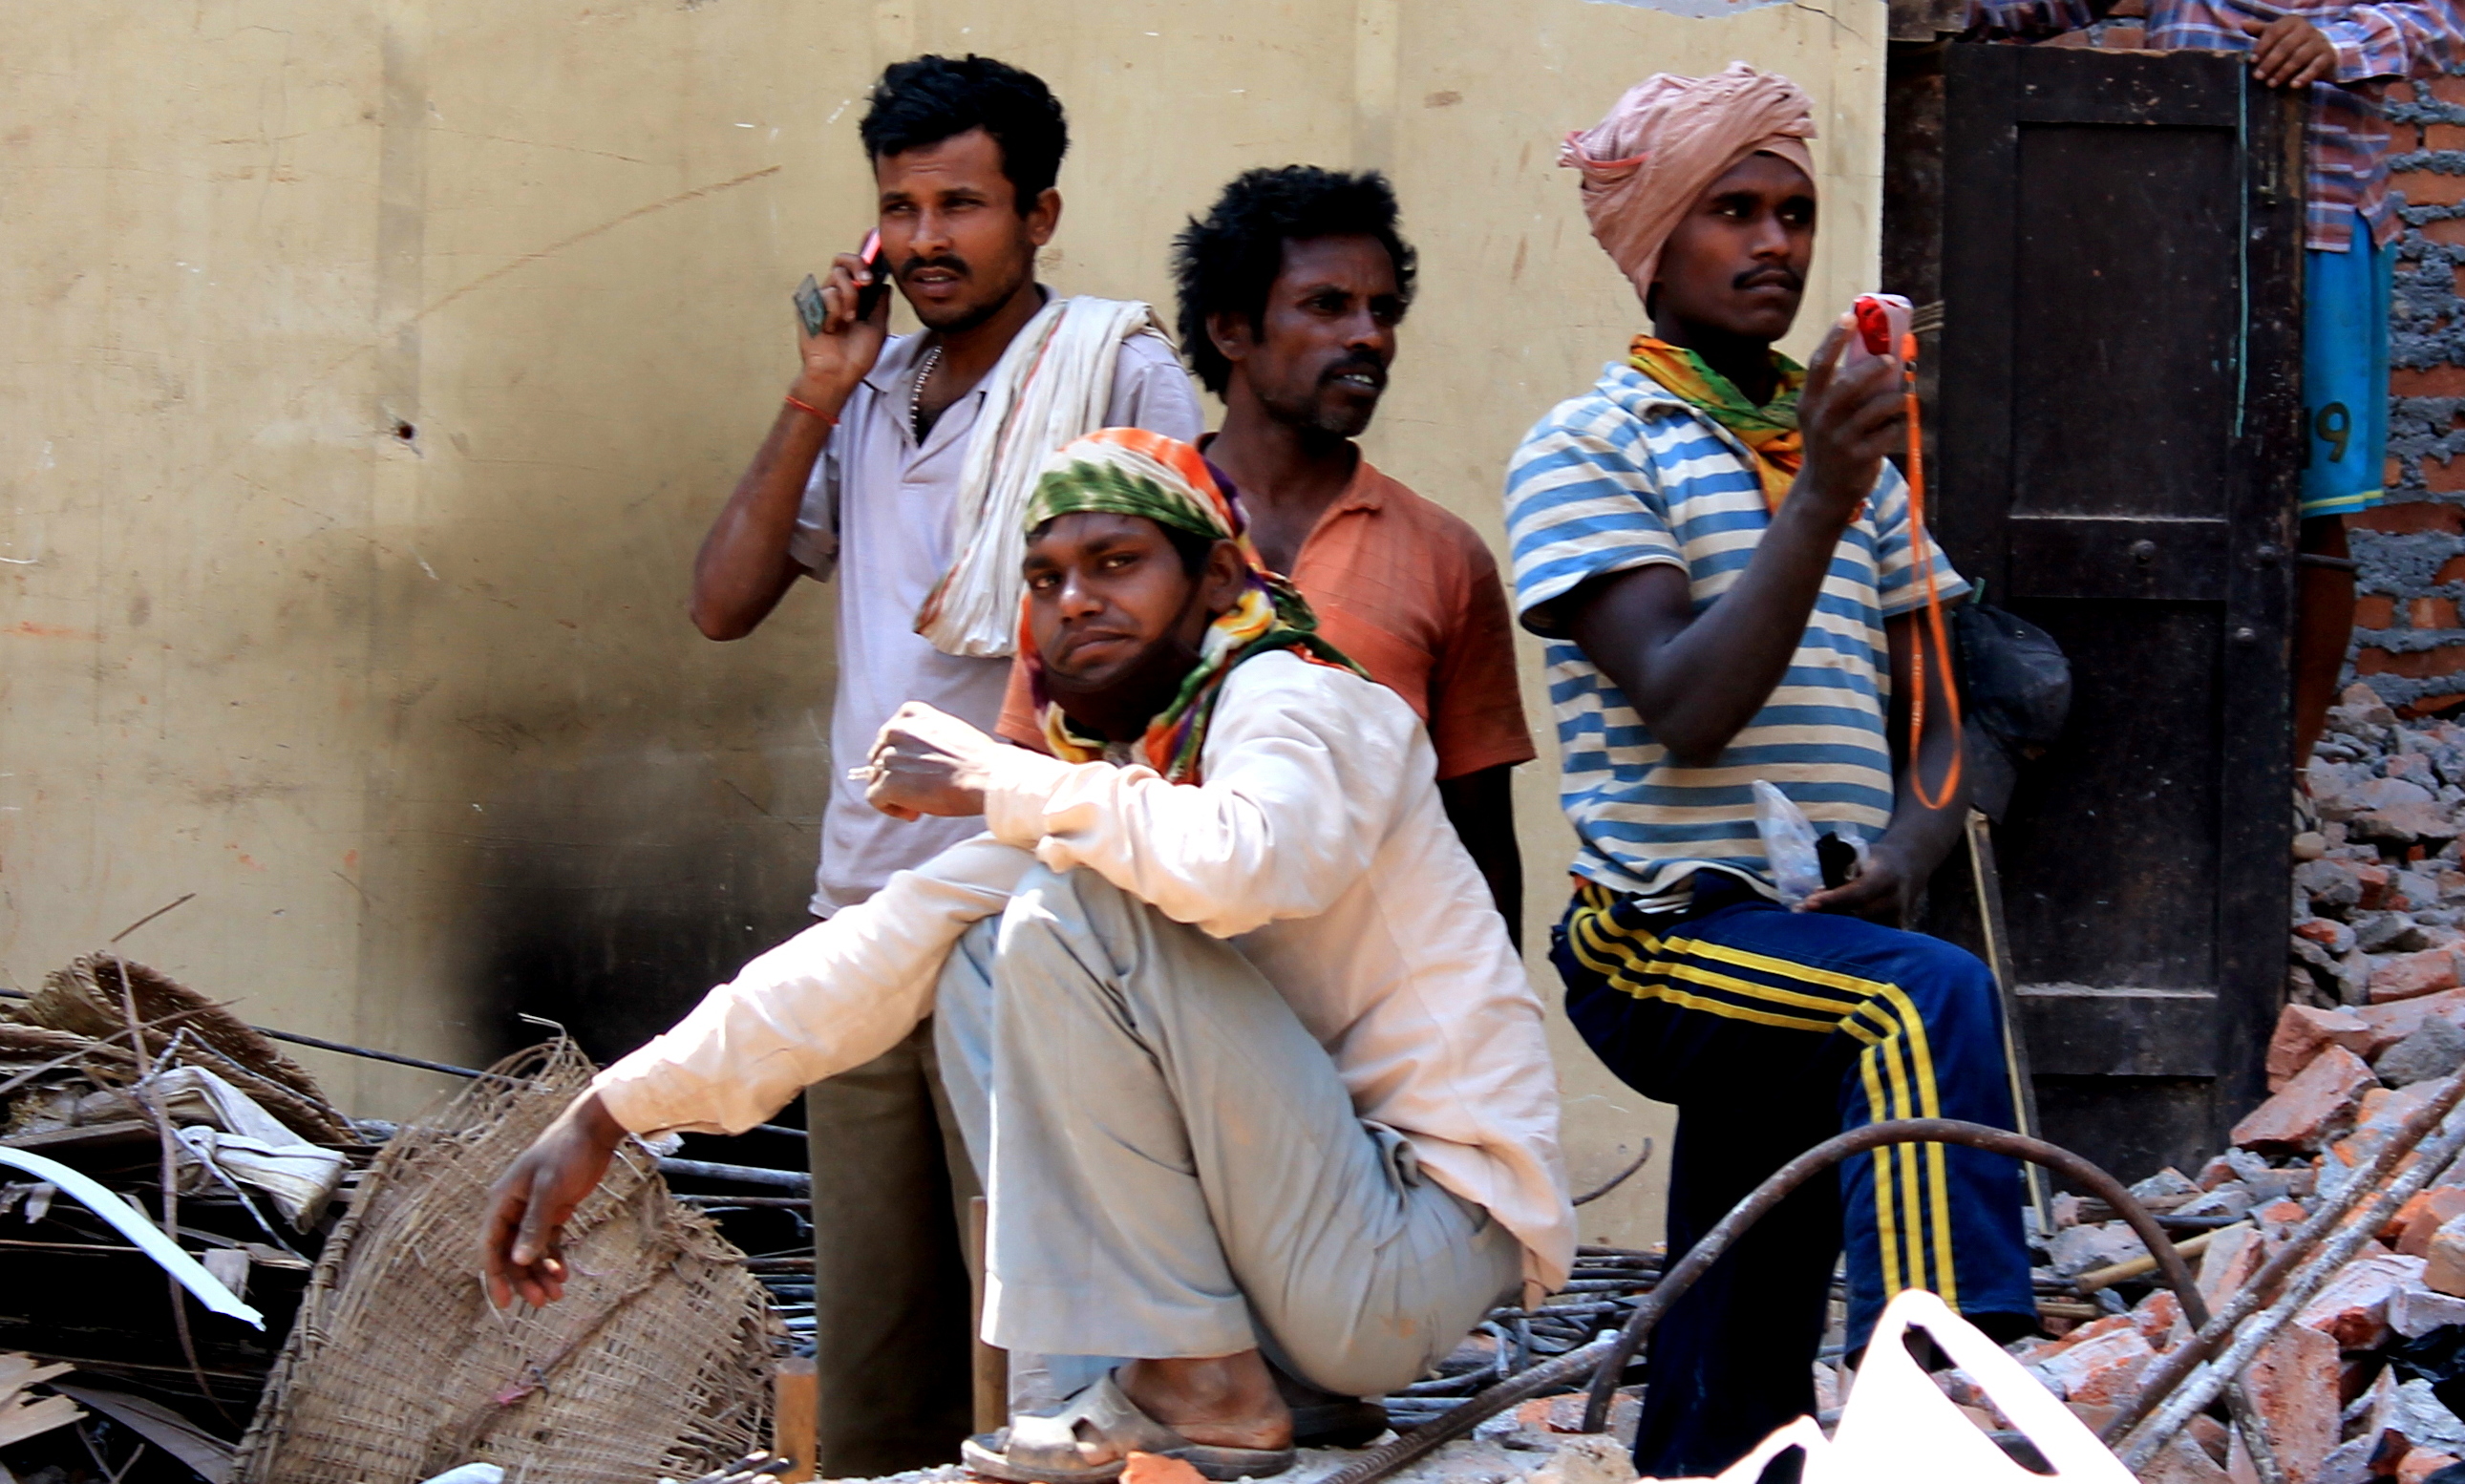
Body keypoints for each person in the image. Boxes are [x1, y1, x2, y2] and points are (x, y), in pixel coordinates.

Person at [489, 429, 1574, 1484]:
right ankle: (1144, 1388)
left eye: (1117, 563)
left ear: (1214, 580)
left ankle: (1198, 1383)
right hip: (1308, 1280)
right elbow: (869, 952)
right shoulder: (1121, 774)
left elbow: (1249, 862)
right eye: (1046, 578)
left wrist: (992, 778)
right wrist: (608, 1114)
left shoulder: (1300, 693)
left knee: (1061, 911)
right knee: (973, 952)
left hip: (1413, 1242)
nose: (1075, 602)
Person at [1502, 65, 2034, 1477]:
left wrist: (1910, 845)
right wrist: (1820, 499)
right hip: (1660, 936)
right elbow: (1686, 703)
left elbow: (1952, 717)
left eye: (1792, 213)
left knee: (1742, 1318)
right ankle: (1934, 1392)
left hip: (1809, 928)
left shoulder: (1855, 470)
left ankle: (1709, 1455)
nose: (1773, 243)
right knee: (1922, 1000)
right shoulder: (1590, 447)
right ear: (1654, 239)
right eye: (1730, 210)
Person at [685, 54, 1202, 1474]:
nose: (925, 240)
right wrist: (816, 388)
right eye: (900, 209)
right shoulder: (871, 390)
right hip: (861, 912)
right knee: (874, 1361)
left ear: (1039, 215)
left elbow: (1180, 628)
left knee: (1025, 1351)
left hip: (1023, 918)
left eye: (960, 205)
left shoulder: (1115, 368)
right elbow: (721, 603)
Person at [991, 168, 1534, 930]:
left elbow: (1478, 846)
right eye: (1327, 305)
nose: (1368, 335)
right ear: (1230, 331)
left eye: (1382, 310)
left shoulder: (1444, 557)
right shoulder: (1100, 539)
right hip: (1142, 972)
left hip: (1367, 993)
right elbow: (1028, 790)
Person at [1966, 0, 2464, 765]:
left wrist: (2335, 43)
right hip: (2169, 223)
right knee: (2155, 492)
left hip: (2316, 230)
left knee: (2307, 512)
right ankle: (2158, 748)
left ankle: (2285, 767)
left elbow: (2439, 20)